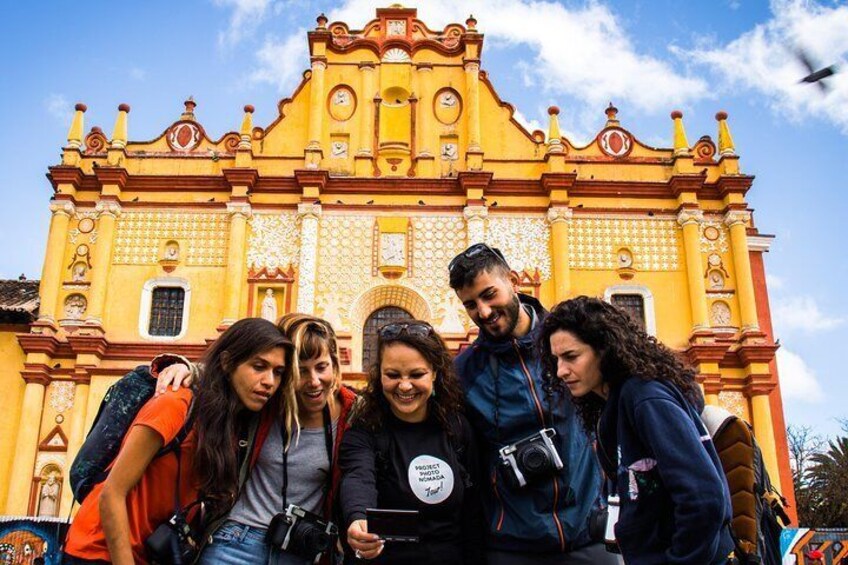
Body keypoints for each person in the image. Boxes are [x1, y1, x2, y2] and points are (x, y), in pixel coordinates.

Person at [63, 318, 293, 565]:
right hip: (98, 551)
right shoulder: (176, 404)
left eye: (278, 372)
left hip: (148, 553)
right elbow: (111, 494)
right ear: (227, 363)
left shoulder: (231, 425)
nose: (270, 381)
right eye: (259, 366)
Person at [449, 243, 618, 564]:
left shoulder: (573, 339)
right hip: (512, 545)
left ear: (513, 280)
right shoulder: (464, 372)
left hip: (591, 535)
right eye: (470, 304)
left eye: (489, 295)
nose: (483, 312)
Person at [537, 296, 734, 564]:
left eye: (571, 357)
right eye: (556, 360)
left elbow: (704, 498)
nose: (561, 371)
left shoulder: (645, 399)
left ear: (605, 350)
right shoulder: (613, 408)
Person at [154, 313, 358, 564]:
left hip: (299, 551)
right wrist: (186, 367)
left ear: (335, 364)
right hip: (234, 541)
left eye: (321, 367)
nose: (314, 381)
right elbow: (228, 373)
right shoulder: (264, 402)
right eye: (300, 371)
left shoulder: (352, 414)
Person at [340, 321, 484, 564]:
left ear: (435, 374)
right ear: (379, 375)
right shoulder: (365, 429)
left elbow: (475, 509)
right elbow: (358, 476)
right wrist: (357, 519)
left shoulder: (458, 428)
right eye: (393, 375)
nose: (405, 386)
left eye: (417, 374)